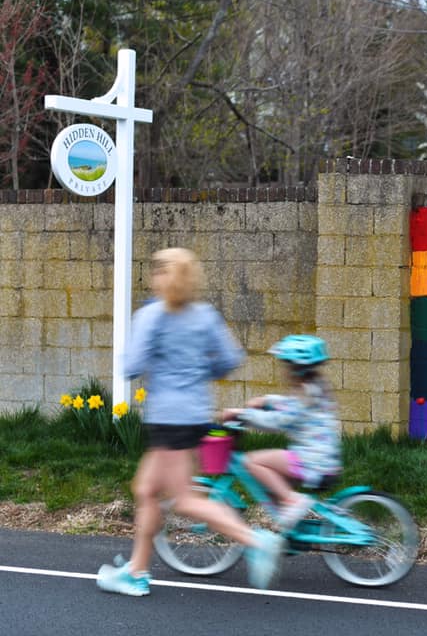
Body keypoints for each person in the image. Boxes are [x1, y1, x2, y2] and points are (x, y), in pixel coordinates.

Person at [96, 248, 285, 597]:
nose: (154, 277)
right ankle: (136, 572)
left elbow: (132, 366)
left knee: (183, 500)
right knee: (147, 490)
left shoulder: (152, 316)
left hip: (169, 421)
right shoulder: (205, 315)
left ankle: (255, 540)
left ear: (165, 277)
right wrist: (199, 372)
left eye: (158, 271)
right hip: (197, 416)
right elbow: (230, 360)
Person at [220, 334, 342, 531]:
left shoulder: (305, 392)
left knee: (252, 462)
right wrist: (266, 401)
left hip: (311, 461)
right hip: (321, 459)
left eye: (286, 365)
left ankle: (291, 501)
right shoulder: (314, 386)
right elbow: (290, 406)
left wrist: (243, 415)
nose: (284, 370)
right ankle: (287, 530)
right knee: (269, 485)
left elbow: (280, 421)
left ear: (295, 368)